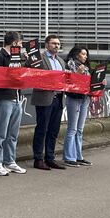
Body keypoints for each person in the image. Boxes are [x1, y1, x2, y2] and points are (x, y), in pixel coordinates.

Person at [0, 31, 28, 176]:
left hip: (17, 97)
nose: (22, 47)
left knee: (13, 133)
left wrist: (24, 62)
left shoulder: (15, 58)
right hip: (5, 98)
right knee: (1, 133)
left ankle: (10, 161)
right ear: (15, 43)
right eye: (20, 44)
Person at [30, 35, 67, 170]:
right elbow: (29, 70)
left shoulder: (61, 61)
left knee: (53, 130)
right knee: (42, 129)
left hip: (58, 98)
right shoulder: (39, 58)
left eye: (58, 44)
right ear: (46, 45)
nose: (56, 46)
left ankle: (50, 158)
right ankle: (38, 159)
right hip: (44, 98)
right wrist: (27, 57)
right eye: (53, 43)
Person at [63, 45, 94, 167]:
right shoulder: (70, 64)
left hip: (85, 98)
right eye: (83, 54)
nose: (85, 57)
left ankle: (78, 155)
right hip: (74, 98)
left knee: (80, 130)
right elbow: (69, 83)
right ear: (76, 54)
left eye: (86, 55)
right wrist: (78, 73)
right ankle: (69, 157)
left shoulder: (86, 67)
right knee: (72, 129)